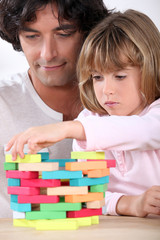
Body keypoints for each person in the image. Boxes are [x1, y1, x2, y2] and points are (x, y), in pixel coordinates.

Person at [6, 9, 160, 217]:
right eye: (97, 77)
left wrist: (70, 128)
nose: (107, 90)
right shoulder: (88, 122)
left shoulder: (85, 128)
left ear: (150, 69)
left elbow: (145, 132)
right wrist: (130, 204)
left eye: (120, 76)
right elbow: (88, 194)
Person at [0, 0, 110, 218]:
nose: (48, 53)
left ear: (88, 32)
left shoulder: (123, 98)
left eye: (64, 33)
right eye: (32, 36)